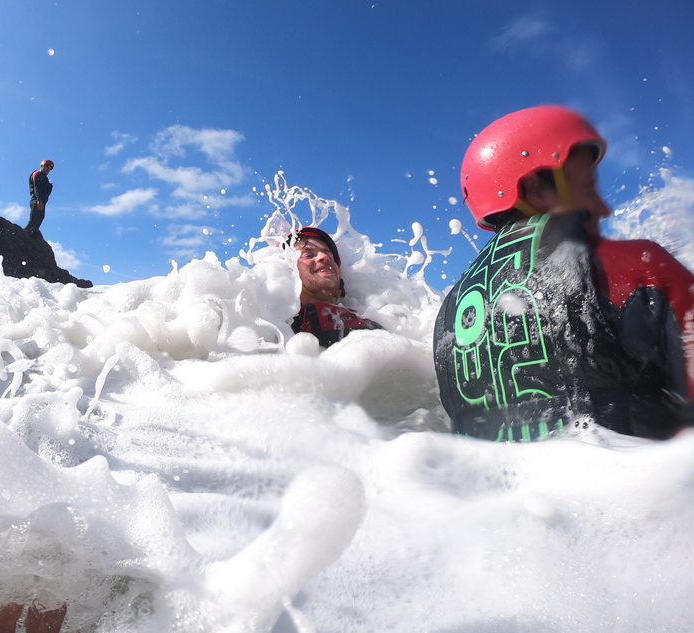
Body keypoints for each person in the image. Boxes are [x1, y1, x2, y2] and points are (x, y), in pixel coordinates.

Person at [434, 104, 694, 441]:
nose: (604, 207)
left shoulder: (446, 317)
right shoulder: (639, 267)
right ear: (536, 189)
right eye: (588, 186)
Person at [287, 226, 383, 346]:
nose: (325, 257)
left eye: (330, 255)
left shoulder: (370, 318)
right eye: (308, 255)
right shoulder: (272, 322)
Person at [27, 159, 55, 236]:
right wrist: (39, 200)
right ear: (41, 166)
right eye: (46, 167)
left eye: (49, 168)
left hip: (42, 201)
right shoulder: (37, 174)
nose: (48, 169)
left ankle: (32, 235)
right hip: (37, 200)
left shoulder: (45, 178)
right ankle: (25, 234)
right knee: (33, 220)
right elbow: (37, 188)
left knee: (40, 218)